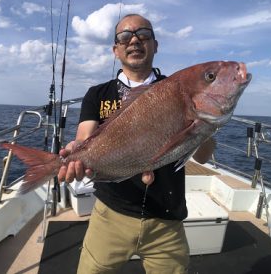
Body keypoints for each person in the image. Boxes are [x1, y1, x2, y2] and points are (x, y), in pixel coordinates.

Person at [58, 14, 214, 274]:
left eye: (143, 34)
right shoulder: (98, 94)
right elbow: (85, 138)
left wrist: (199, 124)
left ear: (155, 44)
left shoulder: (176, 89)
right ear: (115, 49)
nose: (134, 40)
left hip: (166, 219)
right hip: (110, 214)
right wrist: (75, 154)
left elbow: (204, 158)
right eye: (124, 36)